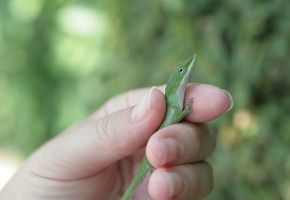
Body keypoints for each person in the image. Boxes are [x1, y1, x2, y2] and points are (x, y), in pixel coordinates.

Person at [0, 83, 233, 200]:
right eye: (183, 71)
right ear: (177, 81)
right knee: (159, 169)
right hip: (143, 166)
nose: (187, 71)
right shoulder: (172, 105)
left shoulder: (172, 103)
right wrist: (188, 109)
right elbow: (176, 118)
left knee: (162, 169)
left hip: (141, 167)